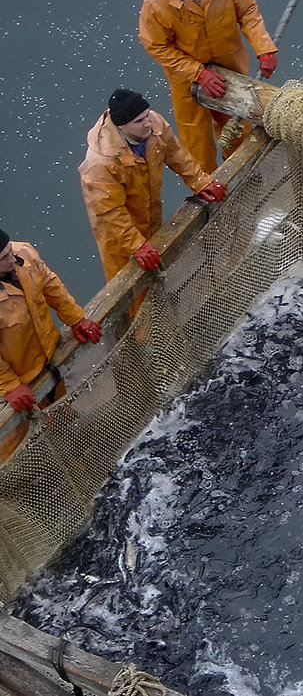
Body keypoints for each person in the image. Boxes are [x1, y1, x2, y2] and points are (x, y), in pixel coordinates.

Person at [138, 0, 278, 174]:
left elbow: (246, 11)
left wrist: (264, 48)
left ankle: (246, 174)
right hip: (187, 81)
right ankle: (207, 186)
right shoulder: (156, 0)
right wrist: (198, 73)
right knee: (196, 141)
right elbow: (156, 45)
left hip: (229, 70)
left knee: (236, 127)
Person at [79, 88, 228, 283]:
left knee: (159, 274)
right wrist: (136, 245)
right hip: (119, 237)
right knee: (131, 286)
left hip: (151, 214)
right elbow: (109, 212)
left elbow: (175, 153)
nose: (148, 123)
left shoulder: (153, 125)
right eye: (139, 121)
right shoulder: (100, 164)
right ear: (122, 125)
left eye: (147, 115)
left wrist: (200, 181)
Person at [1, 228, 102, 461]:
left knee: (60, 410)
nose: (12, 259)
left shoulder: (22, 253)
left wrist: (76, 318)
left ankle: (72, 448)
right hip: (12, 379)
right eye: (3, 258)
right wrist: (10, 386)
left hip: (45, 360)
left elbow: (49, 284)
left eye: (9, 251)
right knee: (15, 436)